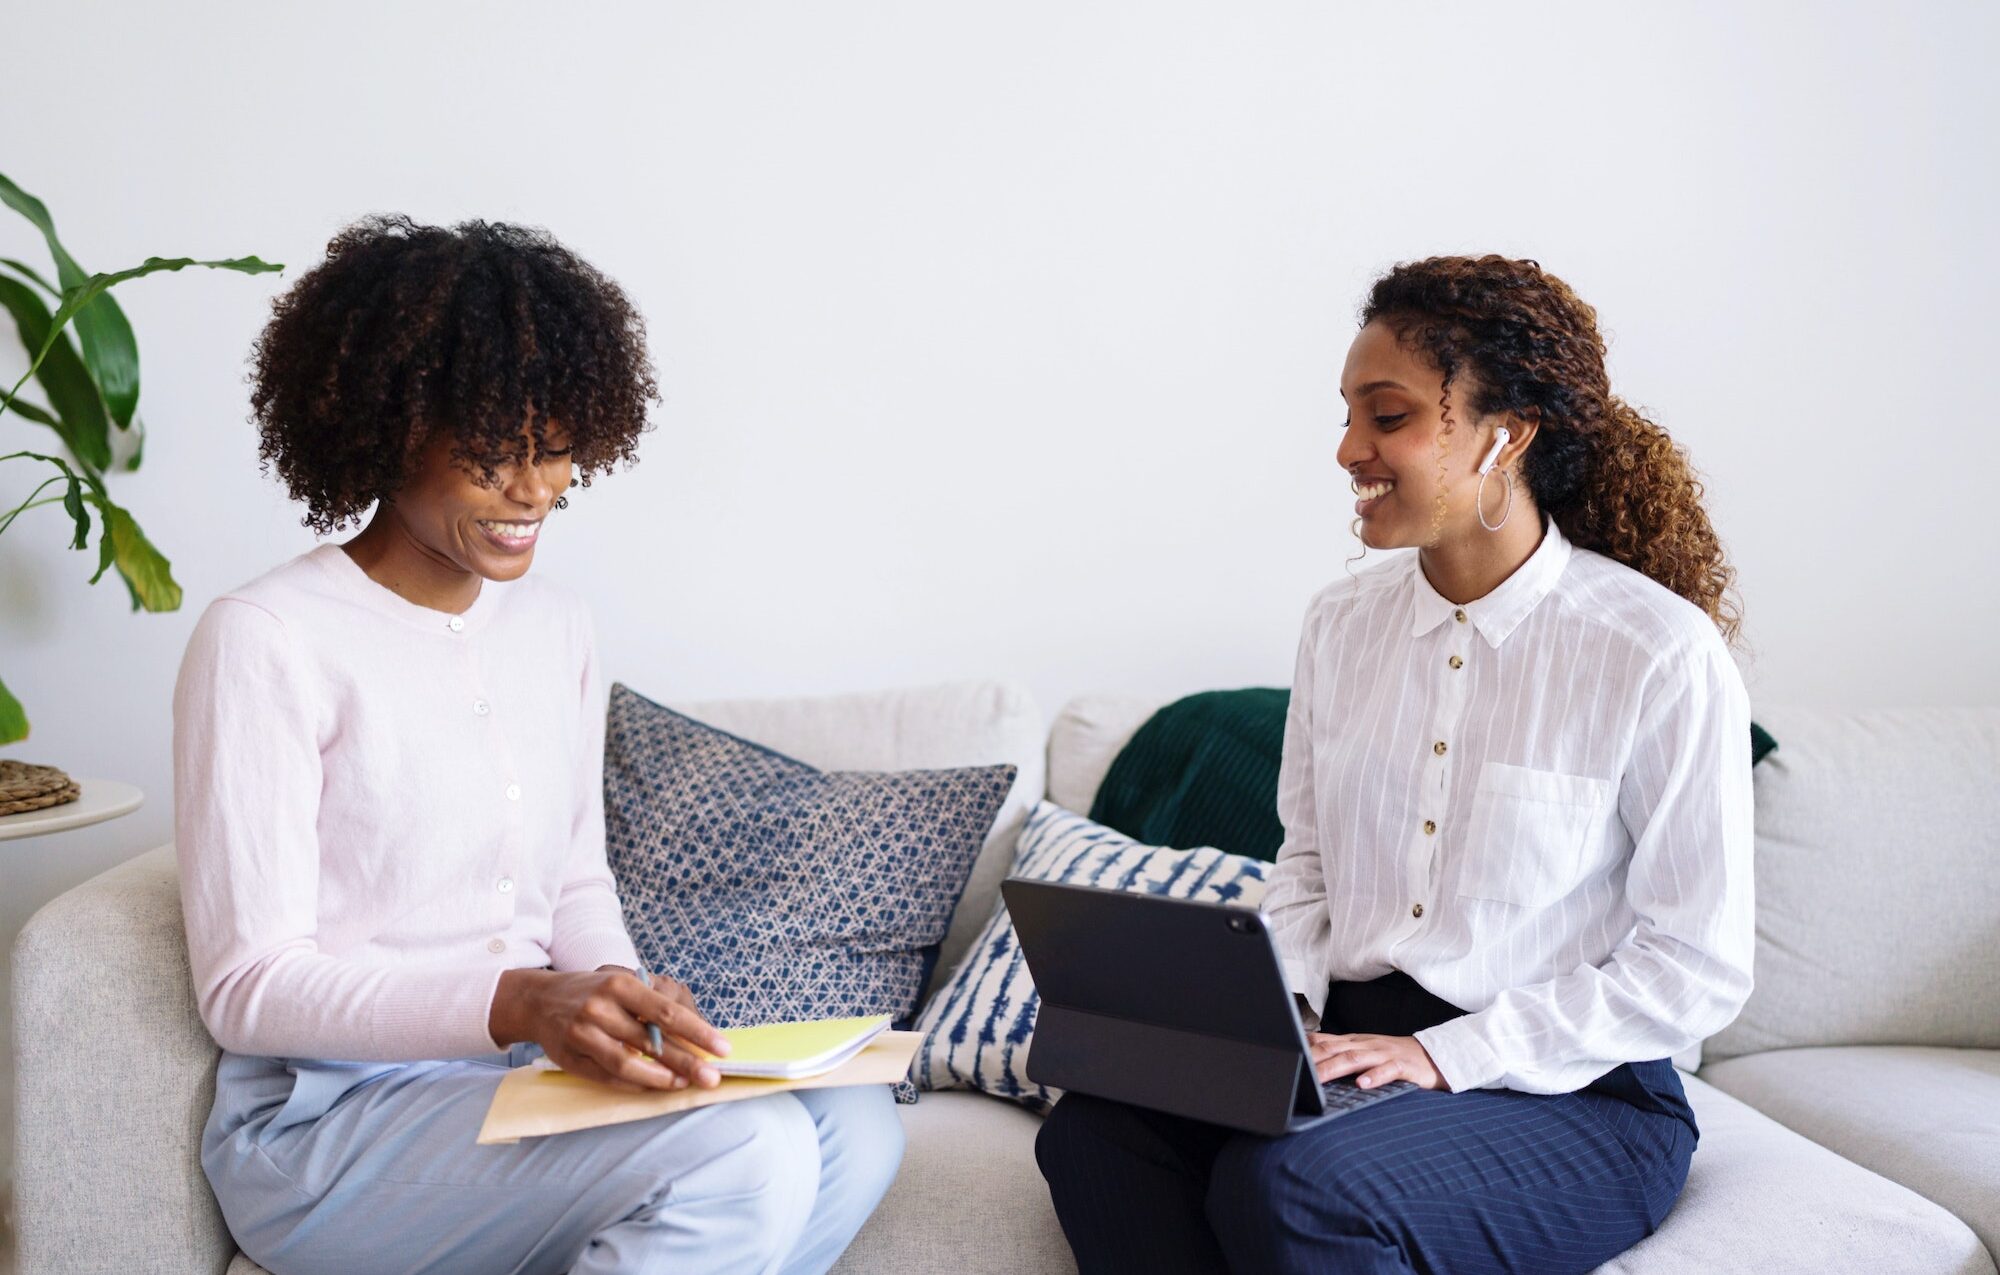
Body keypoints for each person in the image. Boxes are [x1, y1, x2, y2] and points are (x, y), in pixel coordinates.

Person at [174, 215, 903, 1275]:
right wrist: (520, 1000)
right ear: (390, 430)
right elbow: (248, 987)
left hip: (507, 1085)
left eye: (555, 447)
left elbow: (570, 875)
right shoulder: (269, 638)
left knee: (859, 1126)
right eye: (492, 455)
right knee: (745, 1152)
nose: (534, 490)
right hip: (331, 1128)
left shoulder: (555, 625)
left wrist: (625, 1001)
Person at [1035, 254, 1754, 1273]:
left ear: (1505, 434)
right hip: (1352, 1053)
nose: (1346, 450)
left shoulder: (1653, 652)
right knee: (1094, 1137)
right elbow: (1309, 872)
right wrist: (1270, 1023)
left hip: (1571, 1094)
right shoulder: (1339, 626)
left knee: (1289, 1187)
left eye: (1387, 417)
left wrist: (1442, 1056)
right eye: (1345, 415)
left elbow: (1695, 966)